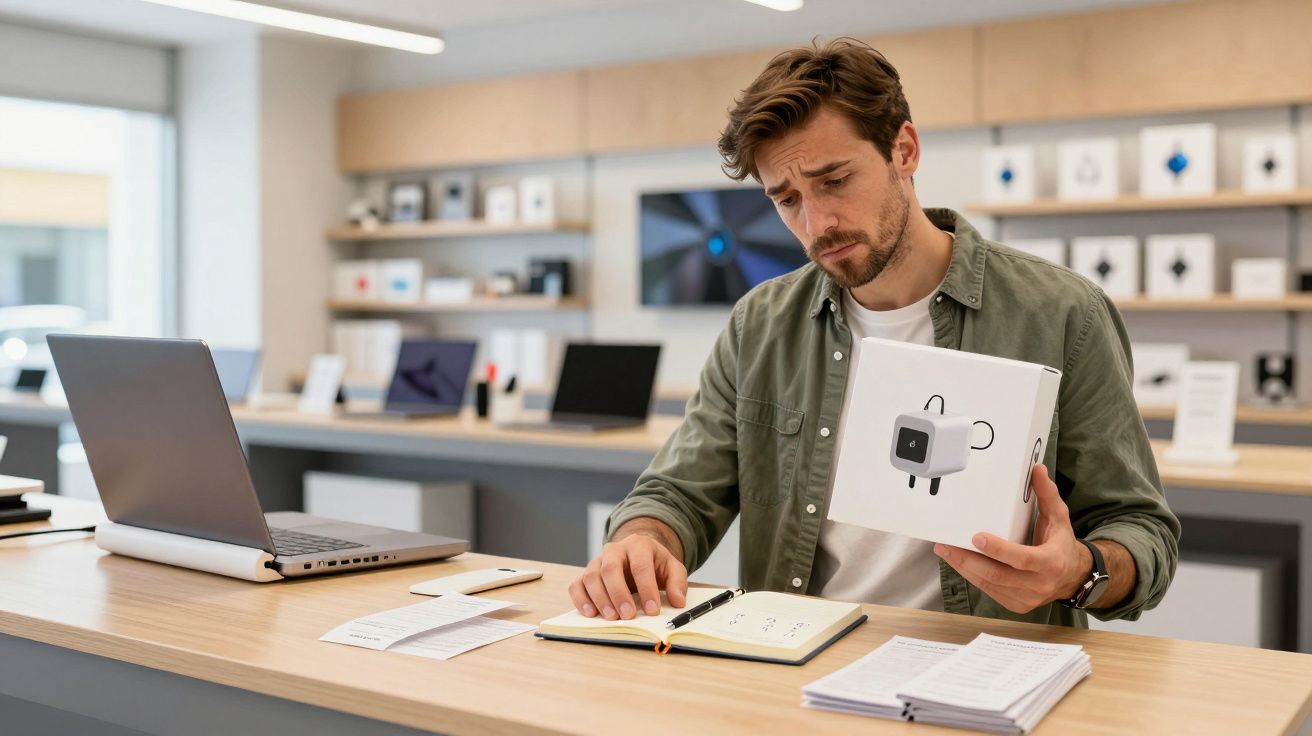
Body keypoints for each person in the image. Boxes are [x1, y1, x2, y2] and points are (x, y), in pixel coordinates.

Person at [568, 38, 1179, 627]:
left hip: (986, 670)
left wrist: (1081, 572)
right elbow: (677, 491)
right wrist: (641, 540)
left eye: (835, 180)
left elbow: (1139, 529)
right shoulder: (759, 325)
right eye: (786, 200)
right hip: (799, 659)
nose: (817, 224)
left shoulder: (1062, 313)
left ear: (904, 150)